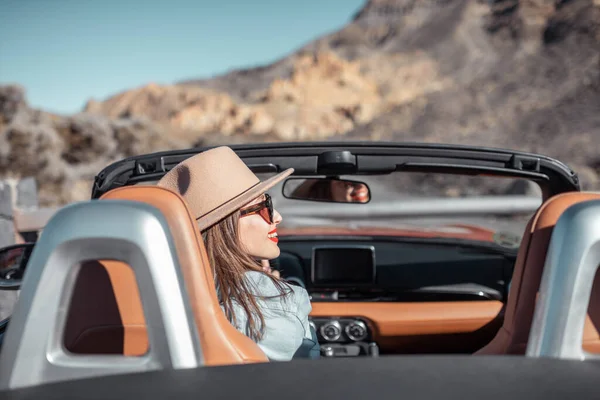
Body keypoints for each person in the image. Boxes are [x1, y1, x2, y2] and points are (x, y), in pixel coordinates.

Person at [157, 146, 314, 361]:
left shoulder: (159, 294)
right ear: (225, 224)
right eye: (264, 205)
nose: (277, 216)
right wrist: (269, 287)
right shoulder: (280, 303)